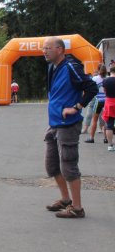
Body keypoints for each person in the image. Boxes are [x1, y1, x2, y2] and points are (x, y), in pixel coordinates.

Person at [42, 37, 97, 219]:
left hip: (68, 124)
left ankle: (77, 208)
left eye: (48, 48)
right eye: (43, 48)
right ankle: (66, 199)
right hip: (55, 123)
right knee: (52, 166)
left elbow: (92, 88)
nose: (44, 51)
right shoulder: (52, 67)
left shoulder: (71, 66)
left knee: (69, 166)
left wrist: (76, 107)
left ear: (60, 49)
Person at [84, 64, 107, 143]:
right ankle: (106, 138)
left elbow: (90, 88)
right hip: (106, 100)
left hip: (98, 100)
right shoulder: (108, 79)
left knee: (95, 120)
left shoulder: (94, 78)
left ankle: (91, 138)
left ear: (98, 70)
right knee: (105, 120)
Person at [102, 65, 115, 151]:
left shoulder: (105, 80)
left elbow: (104, 91)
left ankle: (110, 145)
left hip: (109, 103)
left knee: (109, 125)